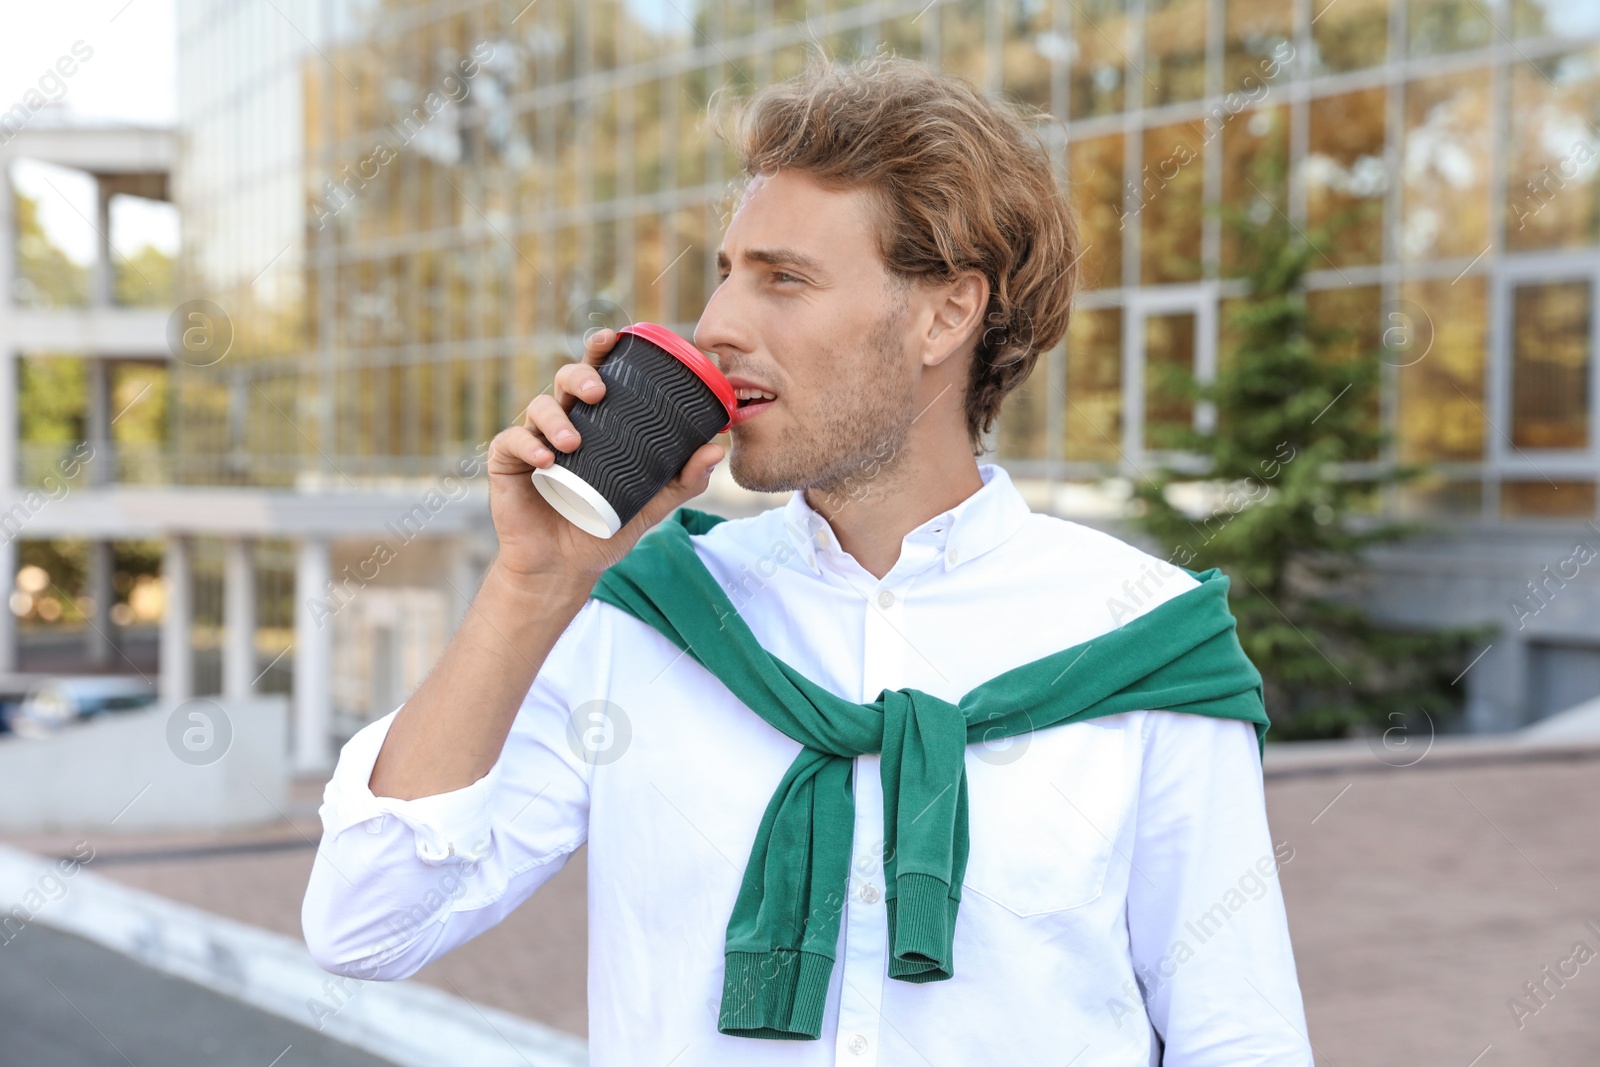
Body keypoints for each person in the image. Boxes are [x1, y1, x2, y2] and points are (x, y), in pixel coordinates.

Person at [302, 53, 1314, 1065]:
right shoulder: (646, 616)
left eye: (783, 278)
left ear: (945, 313)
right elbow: (365, 926)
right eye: (727, 273)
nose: (718, 325)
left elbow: (1239, 1037)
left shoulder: (1140, 635)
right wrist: (534, 582)